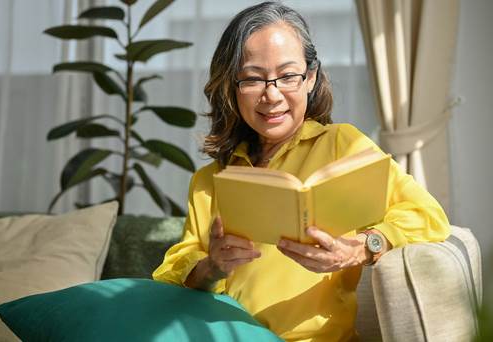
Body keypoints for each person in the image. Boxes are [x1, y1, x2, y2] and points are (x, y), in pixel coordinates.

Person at [152, 2, 450, 341]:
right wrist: (211, 266)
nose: (272, 94)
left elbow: (428, 215)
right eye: (252, 78)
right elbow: (172, 275)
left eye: (288, 76)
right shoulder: (210, 180)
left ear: (310, 78)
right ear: (231, 88)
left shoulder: (343, 145)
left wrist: (361, 248)